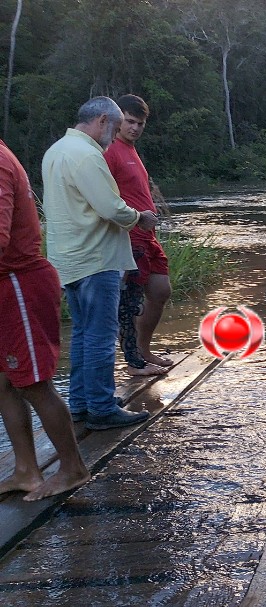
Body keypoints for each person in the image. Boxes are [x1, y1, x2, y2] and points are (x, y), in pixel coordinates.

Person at [42, 97, 156, 430]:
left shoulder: (56, 151)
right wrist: (140, 218)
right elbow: (111, 208)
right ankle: (103, 407)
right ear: (103, 120)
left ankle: (81, 402)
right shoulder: (88, 154)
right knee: (101, 336)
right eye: (118, 125)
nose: (120, 131)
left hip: (67, 259)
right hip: (96, 257)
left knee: (82, 334)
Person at [0, 137, 91, 501]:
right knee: (4, 383)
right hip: (6, 285)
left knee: (34, 383)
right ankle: (26, 470)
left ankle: (73, 469)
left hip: (19, 283)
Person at [103, 94, 173, 376]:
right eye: (129, 122)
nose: (134, 128)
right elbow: (105, 197)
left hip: (148, 235)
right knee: (131, 300)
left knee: (161, 290)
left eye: (140, 123)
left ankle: (144, 350)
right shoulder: (110, 151)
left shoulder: (131, 151)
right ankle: (134, 361)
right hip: (130, 235)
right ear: (119, 122)